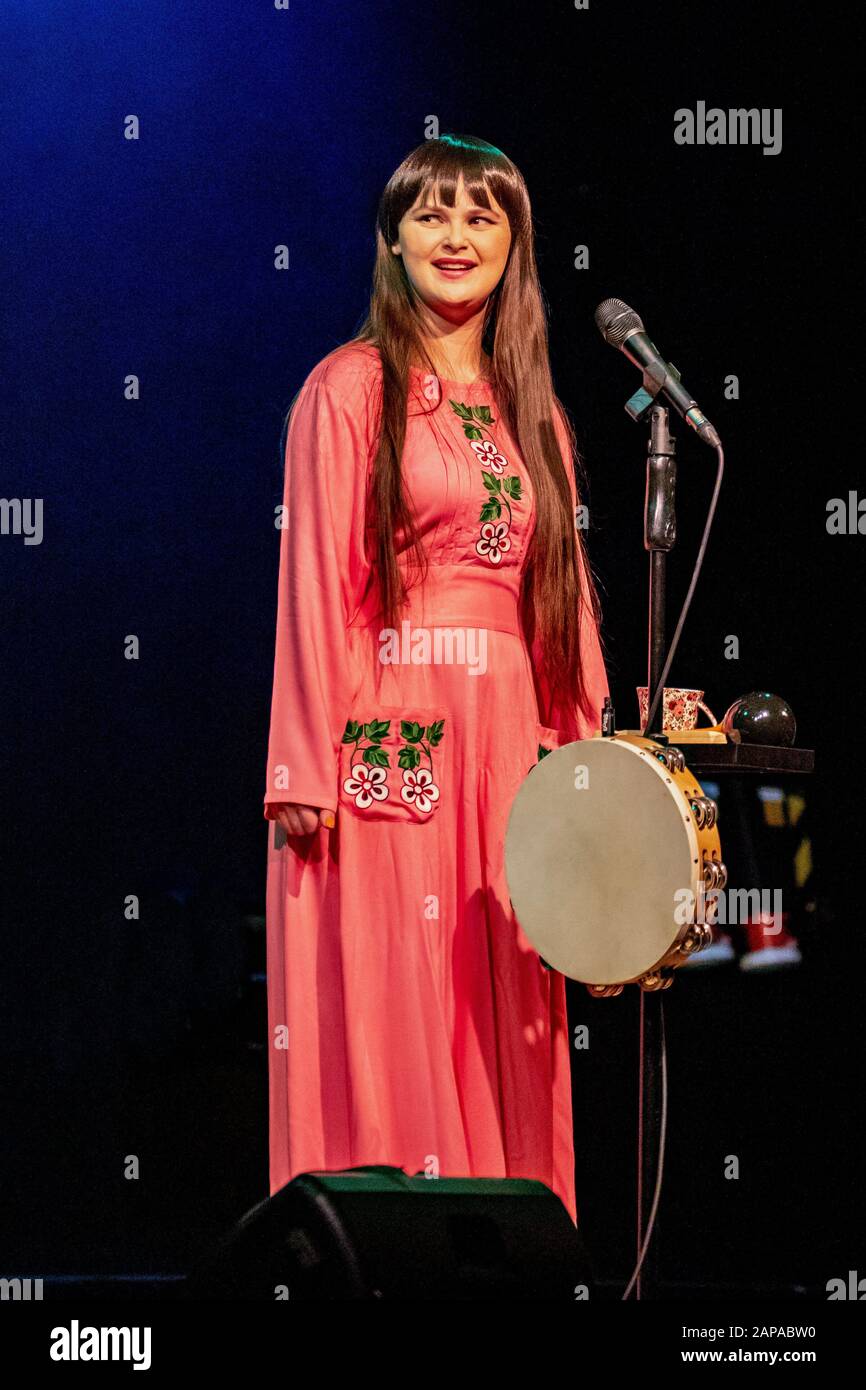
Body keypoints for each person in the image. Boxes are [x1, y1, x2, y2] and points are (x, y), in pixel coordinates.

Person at [263, 133, 609, 1225]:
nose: (454, 236)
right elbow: (315, 586)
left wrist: (599, 752)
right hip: (392, 741)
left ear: (514, 246)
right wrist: (303, 766)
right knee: (403, 1003)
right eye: (430, 214)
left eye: (480, 216)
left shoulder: (535, 410)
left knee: (506, 1005)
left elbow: (562, 607)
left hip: (508, 746)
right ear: (392, 239)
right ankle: (389, 1260)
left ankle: (509, 1259)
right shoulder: (347, 389)